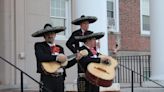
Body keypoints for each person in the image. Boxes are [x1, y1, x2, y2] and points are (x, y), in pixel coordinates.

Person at [32, 23, 82, 92]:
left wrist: (76, 59)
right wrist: (56, 57)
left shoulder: (60, 48)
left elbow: (65, 64)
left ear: (55, 34)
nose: (50, 35)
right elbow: (41, 57)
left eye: (52, 33)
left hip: (60, 79)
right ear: (44, 36)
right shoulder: (39, 46)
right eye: (47, 34)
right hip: (47, 79)